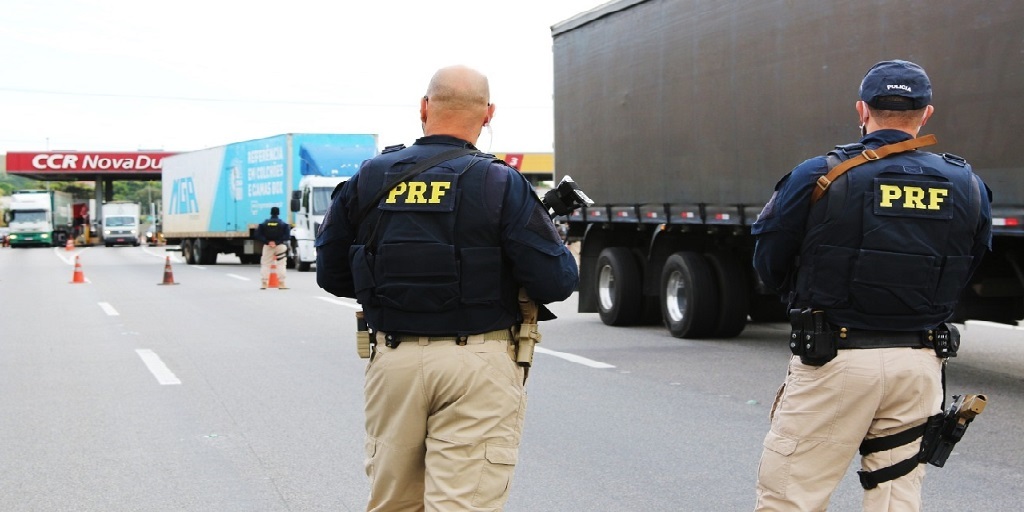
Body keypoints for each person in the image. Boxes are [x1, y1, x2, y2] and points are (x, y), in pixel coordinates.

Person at [315, 65, 579, 511]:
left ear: (423, 107)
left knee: (393, 504)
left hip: (393, 360)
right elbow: (555, 282)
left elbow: (332, 275)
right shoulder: (500, 182)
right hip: (477, 361)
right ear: (489, 114)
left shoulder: (370, 177)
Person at [750, 60, 992, 511]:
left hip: (834, 358)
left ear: (862, 110)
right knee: (896, 497)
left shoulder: (819, 175)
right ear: (926, 114)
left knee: (791, 497)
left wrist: (803, 298)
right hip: (919, 367)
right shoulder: (968, 185)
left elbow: (769, 262)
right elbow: (968, 265)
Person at [255, 206, 289, 289]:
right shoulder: (283, 224)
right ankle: (281, 283)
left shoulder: (264, 224)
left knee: (266, 264)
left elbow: (257, 235)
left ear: (271, 213)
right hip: (280, 246)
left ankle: (264, 282)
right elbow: (287, 236)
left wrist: (268, 242)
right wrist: (276, 242)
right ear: (278, 213)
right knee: (281, 264)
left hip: (267, 246)